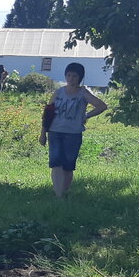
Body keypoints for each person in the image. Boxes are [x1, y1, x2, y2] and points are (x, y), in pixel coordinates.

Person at [38, 61, 107, 198]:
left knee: (68, 166)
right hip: (55, 131)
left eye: (74, 76)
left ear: (80, 78)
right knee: (56, 163)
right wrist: (43, 133)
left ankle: (63, 192)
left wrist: (87, 115)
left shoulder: (83, 93)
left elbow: (101, 106)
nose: (71, 79)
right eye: (68, 75)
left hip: (73, 134)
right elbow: (48, 113)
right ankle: (58, 195)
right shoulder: (58, 93)